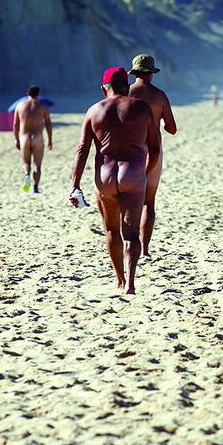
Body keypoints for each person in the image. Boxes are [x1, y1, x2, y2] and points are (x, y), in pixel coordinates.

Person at [70, 67, 159, 294]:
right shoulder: (141, 107)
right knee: (131, 234)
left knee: (111, 230)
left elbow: (82, 150)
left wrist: (75, 185)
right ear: (127, 87)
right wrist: (145, 172)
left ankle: (118, 279)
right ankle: (130, 283)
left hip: (105, 177)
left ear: (103, 88)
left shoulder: (93, 111)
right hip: (132, 173)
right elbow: (155, 149)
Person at [128, 53, 177, 257]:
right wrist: (159, 122)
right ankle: (145, 249)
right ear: (151, 74)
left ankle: (130, 245)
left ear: (135, 72)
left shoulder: (127, 92)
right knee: (149, 201)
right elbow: (172, 128)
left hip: (131, 149)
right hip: (153, 149)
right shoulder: (160, 95)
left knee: (129, 200)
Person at [13, 85, 53, 193]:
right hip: (38, 137)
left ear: (27, 94)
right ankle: (35, 188)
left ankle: (27, 175)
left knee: (26, 162)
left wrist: (16, 139)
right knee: (37, 165)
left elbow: (16, 124)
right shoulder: (43, 106)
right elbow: (48, 123)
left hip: (24, 138)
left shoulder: (20, 105)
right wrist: (50, 139)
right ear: (39, 94)